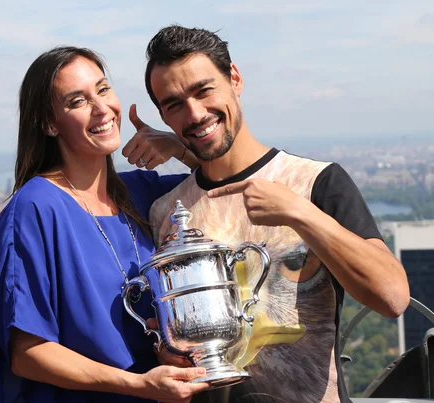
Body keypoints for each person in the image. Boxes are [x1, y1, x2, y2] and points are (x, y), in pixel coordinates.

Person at [139, 25, 410, 403]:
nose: (195, 113)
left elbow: (392, 298)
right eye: (174, 104)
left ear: (234, 78)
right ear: (164, 117)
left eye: (204, 90)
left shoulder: (316, 183)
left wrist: (301, 213)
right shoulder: (166, 211)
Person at [0, 45, 208, 403]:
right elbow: (29, 353)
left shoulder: (142, 193)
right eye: (77, 101)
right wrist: (138, 384)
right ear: (49, 123)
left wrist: (177, 146)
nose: (102, 108)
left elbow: (222, 181)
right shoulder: (35, 209)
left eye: (103, 89)